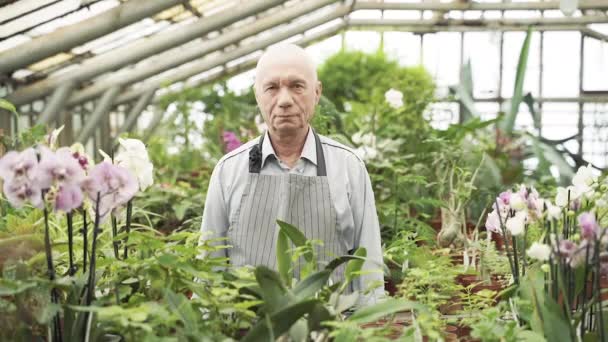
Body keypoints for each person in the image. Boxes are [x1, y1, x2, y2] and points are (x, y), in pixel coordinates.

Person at [200, 43, 384, 304]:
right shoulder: (228, 171)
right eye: (272, 87)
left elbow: (368, 268)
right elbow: (210, 267)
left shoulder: (348, 167)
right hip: (248, 329)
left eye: (297, 86)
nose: (284, 100)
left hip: (331, 327)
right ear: (257, 95)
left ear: (317, 92)